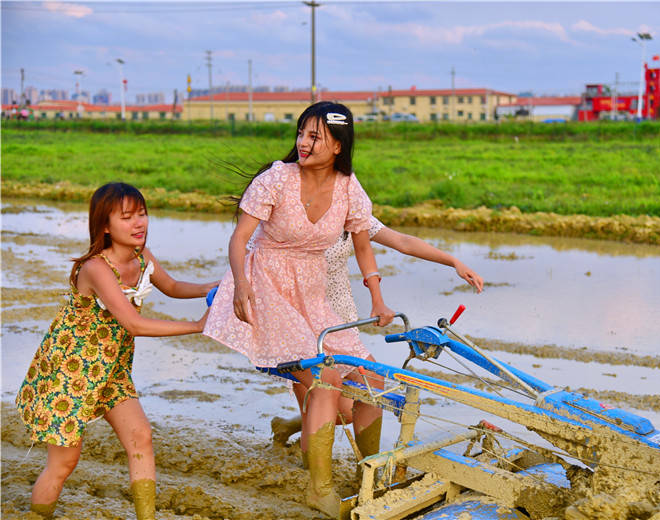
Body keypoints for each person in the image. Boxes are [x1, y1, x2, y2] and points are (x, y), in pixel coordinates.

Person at [203, 101, 394, 518]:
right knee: (324, 376)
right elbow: (240, 239)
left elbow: (363, 245)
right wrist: (241, 285)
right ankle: (319, 488)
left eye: (315, 137)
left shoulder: (348, 188)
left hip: (311, 290)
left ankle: (371, 476)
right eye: (301, 134)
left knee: (372, 380)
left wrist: (377, 298)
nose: (303, 144)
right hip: (267, 283)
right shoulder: (278, 178)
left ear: (338, 146)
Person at [15, 183, 217, 520]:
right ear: (105, 226)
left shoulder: (142, 257)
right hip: (70, 375)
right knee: (64, 464)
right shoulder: (96, 268)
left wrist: (216, 288)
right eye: (127, 217)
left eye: (142, 213)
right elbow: (134, 324)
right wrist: (198, 326)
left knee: (141, 437)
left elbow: (173, 287)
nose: (139, 223)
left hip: (111, 371)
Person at [270, 217, 484, 445]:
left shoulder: (349, 208)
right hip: (297, 319)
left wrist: (453, 262)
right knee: (321, 401)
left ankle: (364, 470)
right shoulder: (292, 210)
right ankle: (314, 476)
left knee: (354, 403)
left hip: (337, 318)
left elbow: (403, 242)